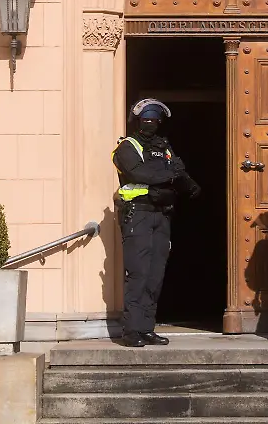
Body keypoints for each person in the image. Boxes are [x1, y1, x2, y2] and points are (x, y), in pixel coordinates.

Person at [112, 98, 201, 347]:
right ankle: (131, 332)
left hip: (161, 215)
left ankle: (146, 328)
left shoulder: (164, 146)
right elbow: (138, 173)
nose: (150, 123)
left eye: (154, 120)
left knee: (155, 275)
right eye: (145, 119)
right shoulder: (127, 146)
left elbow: (179, 169)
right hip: (137, 215)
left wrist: (190, 185)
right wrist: (170, 175)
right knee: (138, 274)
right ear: (138, 120)